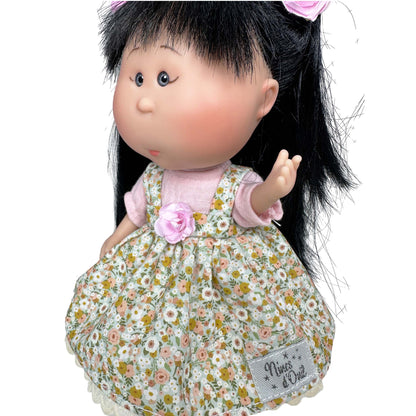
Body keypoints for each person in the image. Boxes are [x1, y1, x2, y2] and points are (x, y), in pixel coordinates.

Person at [66, 2, 354, 415]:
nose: (144, 101)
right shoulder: (154, 178)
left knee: (231, 350)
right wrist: (117, 238)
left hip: (228, 284)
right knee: (149, 343)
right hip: (154, 282)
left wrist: (272, 189)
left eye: (165, 78)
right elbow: (138, 213)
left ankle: (254, 384)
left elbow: (248, 205)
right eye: (138, 78)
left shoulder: (233, 183)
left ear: (264, 98)